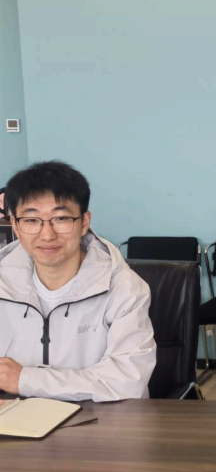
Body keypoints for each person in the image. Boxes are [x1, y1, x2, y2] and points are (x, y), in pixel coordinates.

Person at [0, 161, 156, 401]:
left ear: (84, 223)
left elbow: (127, 382)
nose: (47, 234)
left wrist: (25, 379)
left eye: (61, 218)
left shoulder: (124, 287)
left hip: (103, 419)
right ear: (15, 226)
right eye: (31, 220)